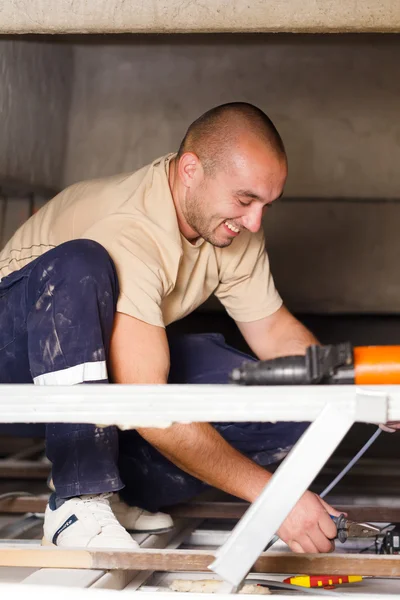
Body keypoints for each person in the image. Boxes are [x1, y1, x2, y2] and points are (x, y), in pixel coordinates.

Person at [0, 102, 340, 553]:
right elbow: (147, 403)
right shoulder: (132, 228)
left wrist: (358, 389)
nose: (255, 221)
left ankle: (114, 493)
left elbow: (276, 334)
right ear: (190, 170)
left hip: (96, 372)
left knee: (293, 407)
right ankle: (79, 497)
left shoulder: (231, 229)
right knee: (81, 261)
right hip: (18, 357)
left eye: (265, 204)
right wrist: (275, 498)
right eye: (244, 200)